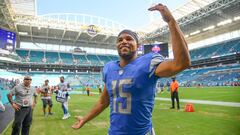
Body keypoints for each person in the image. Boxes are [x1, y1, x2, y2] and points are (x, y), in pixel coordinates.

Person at [72, 3, 190, 135]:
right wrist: (85, 119)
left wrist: (171, 21)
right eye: (120, 39)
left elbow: (181, 63)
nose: (124, 41)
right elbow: (103, 101)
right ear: (117, 45)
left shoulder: (149, 62)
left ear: (138, 45)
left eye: (129, 39)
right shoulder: (109, 68)